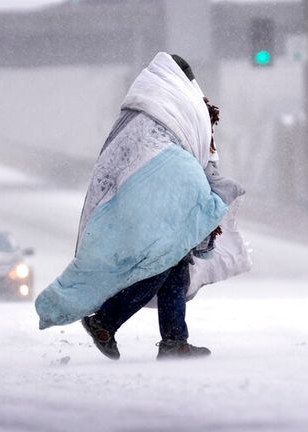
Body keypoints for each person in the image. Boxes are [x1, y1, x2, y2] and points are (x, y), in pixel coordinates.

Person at [35, 52, 249, 360]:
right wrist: (209, 194)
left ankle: (174, 340)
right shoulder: (180, 107)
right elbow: (194, 154)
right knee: (162, 260)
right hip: (156, 197)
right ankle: (105, 321)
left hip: (136, 197)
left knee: (174, 262)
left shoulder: (141, 111)